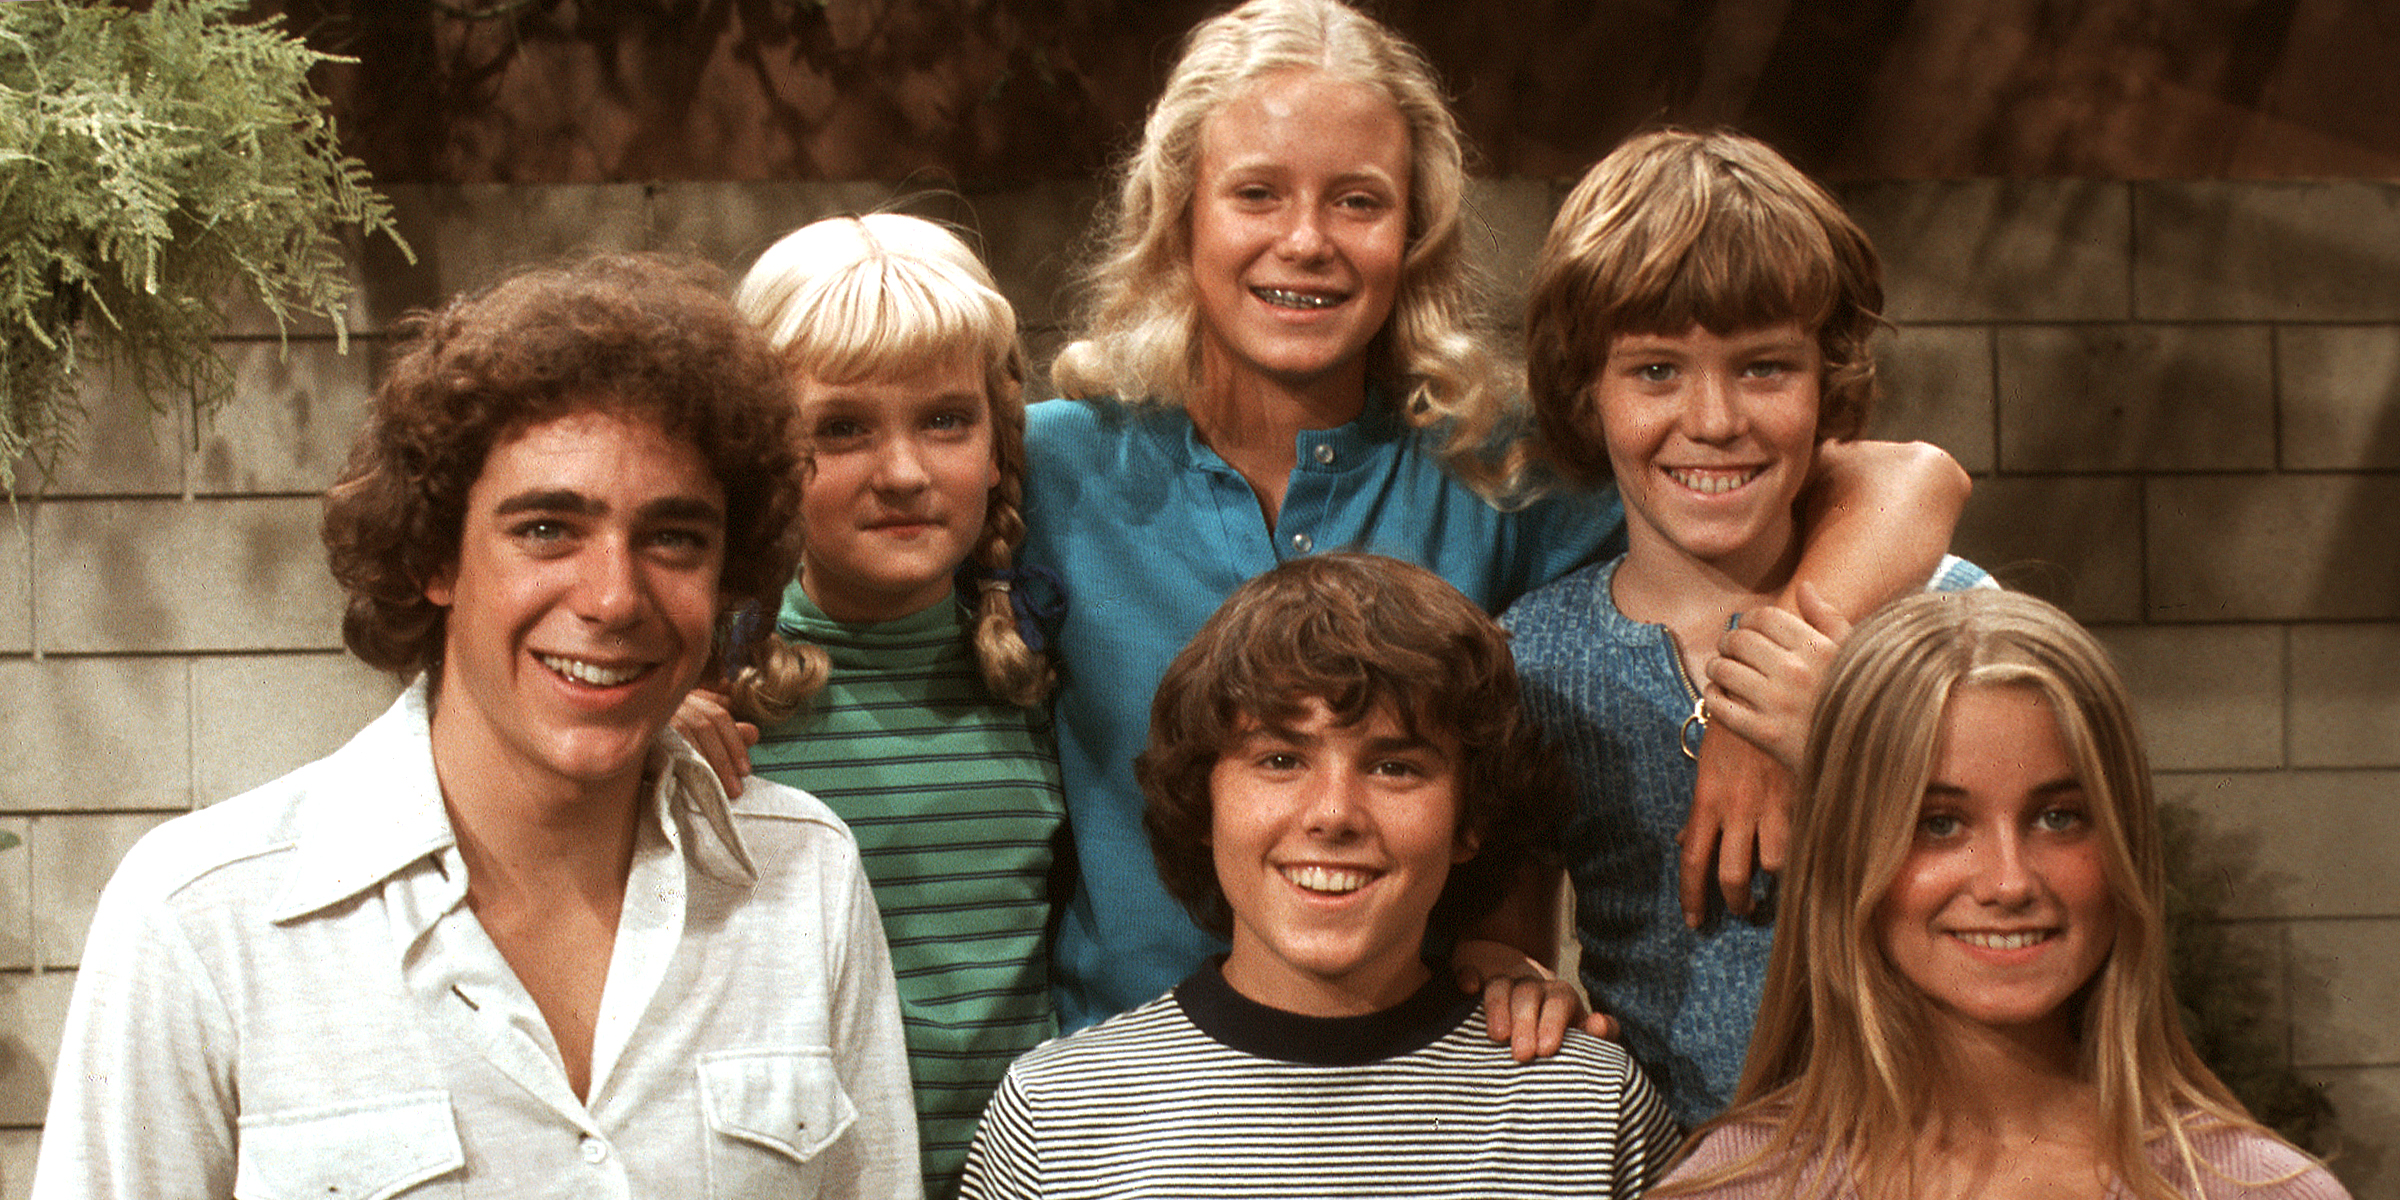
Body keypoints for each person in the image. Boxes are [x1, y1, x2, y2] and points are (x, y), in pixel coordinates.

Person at [1018, 0, 1975, 1038]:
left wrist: (1764, 681)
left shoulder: (1493, 465)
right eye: (1256, 194)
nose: (1306, 241)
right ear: (1180, 213)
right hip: (1130, 1102)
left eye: (1358, 202)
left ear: (1416, 230)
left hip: (1426, 1093)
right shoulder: (1052, 465)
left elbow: (1899, 480)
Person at [32, 255, 920, 1200]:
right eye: (546, 529)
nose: (615, 597)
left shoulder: (804, 881)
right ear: (434, 558)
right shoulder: (204, 922)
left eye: (674, 537)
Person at [1502, 127, 1992, 1125]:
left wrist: (1846, 745)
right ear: (1584, 390)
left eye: (1765, 368)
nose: (1715, 418)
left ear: (1827, 382)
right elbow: (1504, 943)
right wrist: (1516, 986)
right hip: (1682, 1166)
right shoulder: (1532, 661)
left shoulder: (1955, 620)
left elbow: (2024, 894)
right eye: (1654, 372)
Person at [957, 553, 1681, 1199]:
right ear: (1202, 797)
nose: (1333, 814)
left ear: (1471, 818)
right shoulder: (1057, 1117)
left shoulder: (1586, 1110)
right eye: (1280, 760)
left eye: (1395, 767)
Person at [1654, 589, 2349, 1200]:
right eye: (1940, 824)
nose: (2010, 882)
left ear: (2125, 843)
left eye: (2059, 817)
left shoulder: (2261, 1189)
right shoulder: (1734, 1187)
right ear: (1846, 852)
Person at [673, 212, 1067, 1200]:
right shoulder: (703, 692)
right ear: (764, 450)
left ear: (997, 442)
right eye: (841, 429)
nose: (901, 471)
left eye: (945, 420)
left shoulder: (1049, 672)